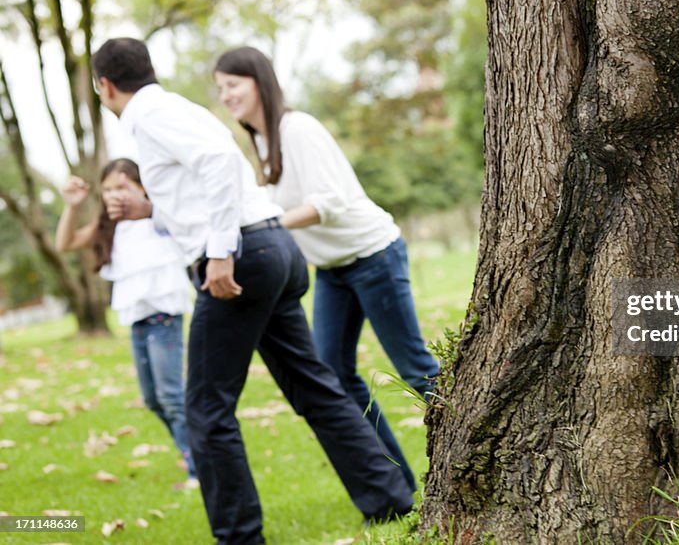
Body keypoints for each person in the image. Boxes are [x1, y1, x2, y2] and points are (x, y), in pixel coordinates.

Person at [91, 38, 412, 544]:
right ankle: (390, 499)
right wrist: (150, 211)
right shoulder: (175, 107)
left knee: (206, 408)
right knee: (315, 387)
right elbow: (205, 187)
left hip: (240, 257)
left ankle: (239, 537)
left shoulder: (148, 116)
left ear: (104, 86)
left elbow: (219, 163)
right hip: (272, 246)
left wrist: (219, 252)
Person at [213, 46, 439, 493]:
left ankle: (483, 452)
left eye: (232, 85)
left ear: (259, 82)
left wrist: (267, 225)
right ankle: (395, 481)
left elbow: (329, 202)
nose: (226, 96)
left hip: (372, 254)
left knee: (413, 368)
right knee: (334, 374)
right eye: (220, 88)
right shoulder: (261, 142)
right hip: (333, 270)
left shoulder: (297, 129)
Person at [55, 158, 197, 489]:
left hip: (164, 317)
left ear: (141, 186)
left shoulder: (158, 218)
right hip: (138, 322)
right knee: (152, 399)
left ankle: (199, 469)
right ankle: (195, 453)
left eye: (122, 186)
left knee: (172, 396)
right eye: (107, 189)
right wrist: (72, 207)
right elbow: (65, 244)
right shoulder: (109, 228)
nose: (114, 195)